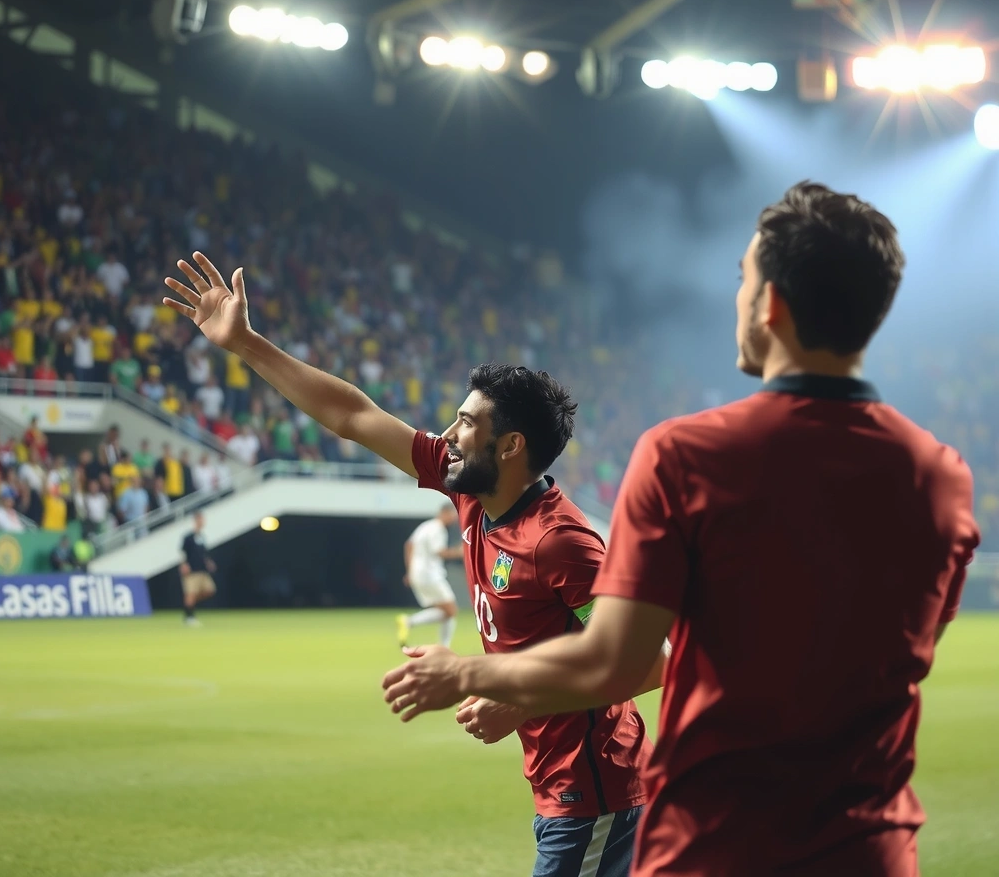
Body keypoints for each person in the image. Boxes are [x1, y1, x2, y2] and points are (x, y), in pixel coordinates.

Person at [382, 183, 981, 877]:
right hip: (870, 850)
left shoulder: (685, 458)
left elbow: (615, 660)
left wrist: (467, 672)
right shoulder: (941, 478)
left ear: (771, 304)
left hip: (721, 841)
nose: (737, 298)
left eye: (743, 280)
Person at [163, 253, 663, 876]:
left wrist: (522, 700)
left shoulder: (561, 542)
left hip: (597, 793)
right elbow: (354, 415)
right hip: (564, 790)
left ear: (511, 446)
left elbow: (649, 660)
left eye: (466, 422)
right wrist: (245, 343)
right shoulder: (470, 491)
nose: (448, 435)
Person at [396, 504, 462, 648]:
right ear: (445, 512)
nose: (454, 519)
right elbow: (440, 552)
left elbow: (409, 545)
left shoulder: (425, 526)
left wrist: (410, 570)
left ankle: (444, 646)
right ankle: (409, 622)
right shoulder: (438, 529)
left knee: (445, 611)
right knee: (451, 610)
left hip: (418, 574)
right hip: (431, 575)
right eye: (453, 515)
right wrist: (460, 552)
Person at [180, 511, 217, 626]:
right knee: (190, 593)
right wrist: (184, 565)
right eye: (200, 519)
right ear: (196, 521)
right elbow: (183, 552)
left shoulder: (202, 537)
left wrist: (209, 562)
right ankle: (189, 617)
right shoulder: (189, 537)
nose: (202, 522)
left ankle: (189, 605)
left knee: (210, 590)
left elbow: (203, 553)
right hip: (192, 570)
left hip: (202, 570)